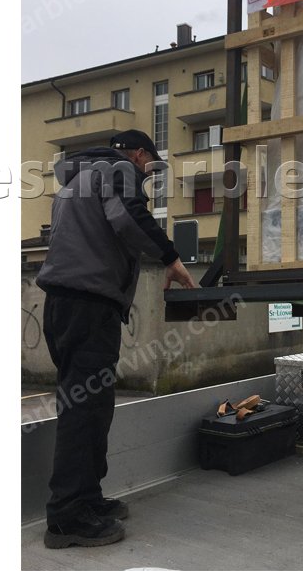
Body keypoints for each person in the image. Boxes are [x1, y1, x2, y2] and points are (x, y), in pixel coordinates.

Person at [36, 129, 196, 549]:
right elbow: (128, 216)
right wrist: (171, 258)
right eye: (150, 168)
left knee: (92, 406)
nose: (146, 178)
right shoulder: (117, 168)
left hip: (70, 304)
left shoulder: (76, 181)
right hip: (87, 305)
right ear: (141, 154)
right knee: (85, 410)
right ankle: (67, 518)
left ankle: (86, 498)